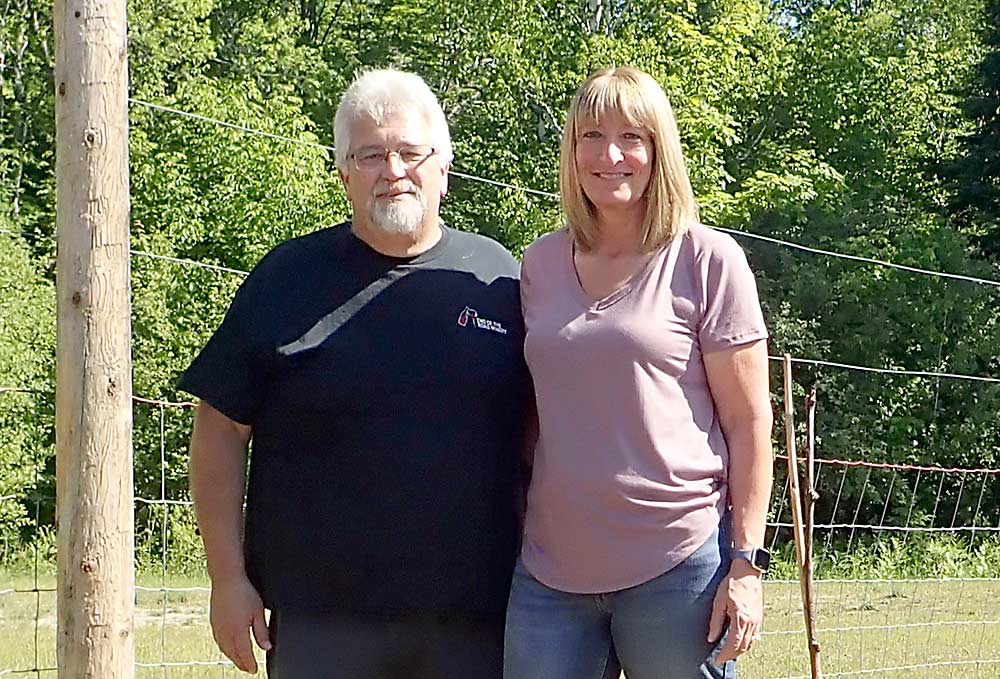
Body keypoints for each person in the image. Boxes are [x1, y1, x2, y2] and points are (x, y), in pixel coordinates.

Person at [180, 68, 532, 678]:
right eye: (370, 155)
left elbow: (537, 435)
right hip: (322, 624)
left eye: (409, 152)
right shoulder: (287, 279)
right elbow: (219, 429)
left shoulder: (497, 278)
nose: (392, 170)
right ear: (344, 172)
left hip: (476, 622)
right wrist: (227, 579)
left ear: (443, 167)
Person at [503, 66, 774, 679]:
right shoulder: (539, 264)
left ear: (659, 150)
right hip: (550, 576)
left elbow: (750, 422)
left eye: (632, 137)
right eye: (591, 136)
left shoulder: (708, 260)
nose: (610, 155)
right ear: (571, 152)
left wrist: (746, 566)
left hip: (678, 569)